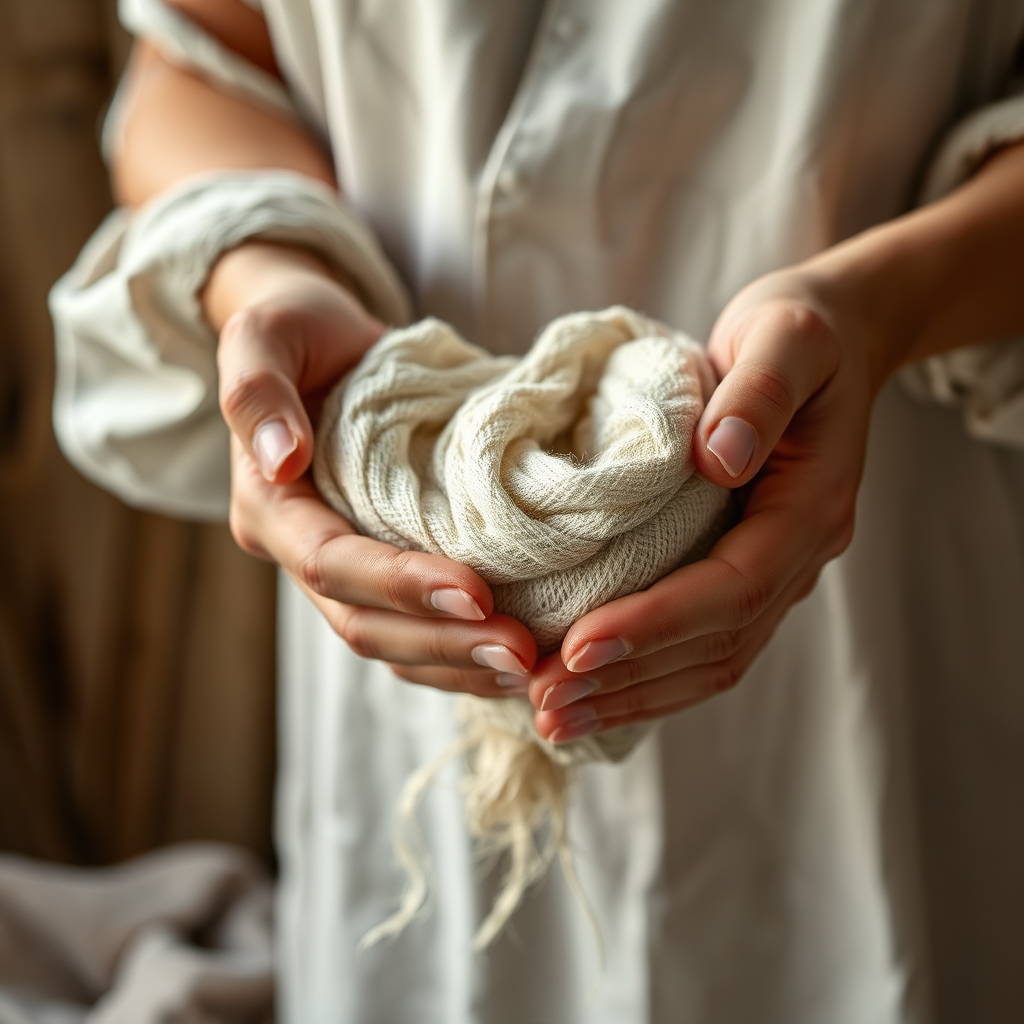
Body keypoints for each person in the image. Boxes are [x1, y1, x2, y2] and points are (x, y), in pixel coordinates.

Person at [50, 0, 1024, 1020]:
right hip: (415, 631)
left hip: (879, 576)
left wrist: (882, 305)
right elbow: (195, 68)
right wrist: (274, 273)